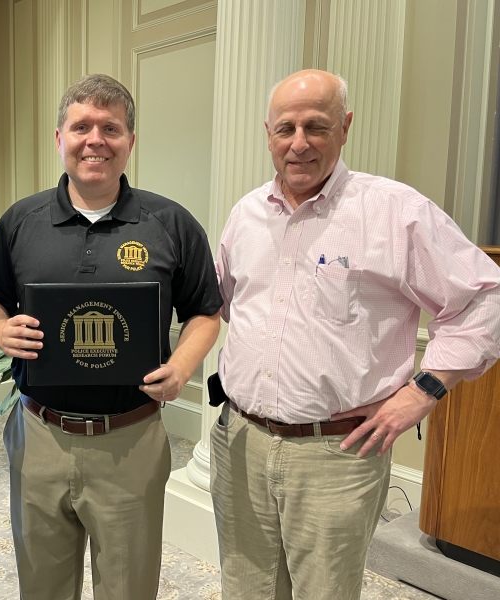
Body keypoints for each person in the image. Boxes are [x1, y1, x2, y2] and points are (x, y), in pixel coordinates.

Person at [210, 69, 500, 600]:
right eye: (285, 129)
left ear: (344, 128)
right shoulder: (245, 215)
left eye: (315, 127)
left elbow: (484, 298)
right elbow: (226, 306)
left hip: (336, 454)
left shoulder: (395, 212)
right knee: (245, 587)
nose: (298, 144)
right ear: (268, 134)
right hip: (240, 442)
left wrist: (423, 391)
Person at [0, 74, 222, 600]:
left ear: (130, 140)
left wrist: (181, 367)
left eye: (111, 128)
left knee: (129, 587)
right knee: (41, 585)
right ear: (59, 137)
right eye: (81, 126)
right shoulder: (21, 221)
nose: (95, 140)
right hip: (40, 433)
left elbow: (205, 311)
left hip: (130, 439)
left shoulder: (170, 223)